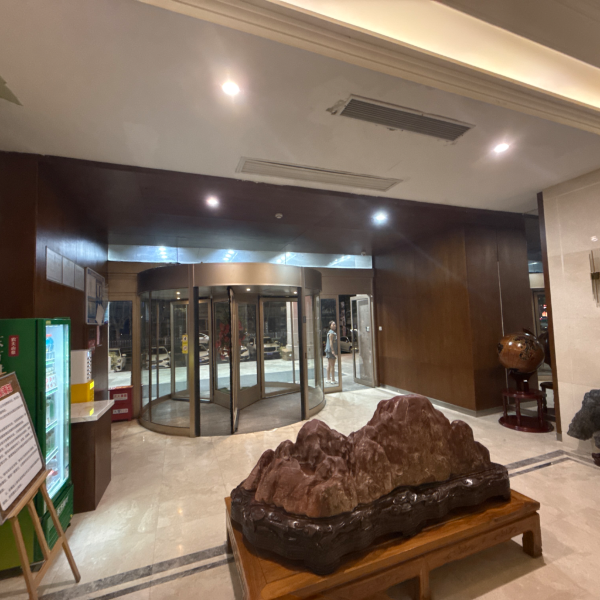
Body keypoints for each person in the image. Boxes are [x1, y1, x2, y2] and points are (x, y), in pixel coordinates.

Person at [325, 320, 337, 385]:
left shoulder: (330, 332)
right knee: (332, 365)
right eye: (333, 324)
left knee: (329, 364)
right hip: (330, 351)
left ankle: (328, 378)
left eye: (335, 324)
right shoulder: (331, 333)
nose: (334, 325)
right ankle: (333, 379)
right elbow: (331, 342)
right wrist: (333, 350)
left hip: (328, 350)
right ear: (330, 326)